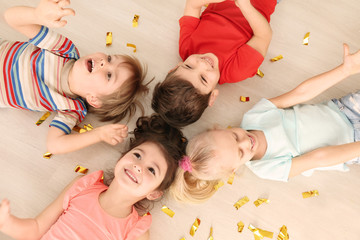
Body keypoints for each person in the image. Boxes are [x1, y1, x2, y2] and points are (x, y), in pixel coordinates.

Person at [171, 43, 360, 203]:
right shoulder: (267, 168)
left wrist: (344, 70)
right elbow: (317, 158)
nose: (246, 141)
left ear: (219, 128)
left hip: (345, 108)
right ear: (234, 169)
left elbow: (300, 93)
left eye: (235, 136)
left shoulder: (255, 116)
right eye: (240, 152)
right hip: (353, 145)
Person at [0, 115, 187, 239]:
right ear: (122, 157)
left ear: (154, 193)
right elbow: (36, 228)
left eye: (152, 170)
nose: (138, 166)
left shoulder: (136, 231)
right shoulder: (83, 186)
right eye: (137, 155)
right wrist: (7, 223)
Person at [1, 0, 150, 154]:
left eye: (109, 75)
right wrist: (36, 15)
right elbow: (11, 17)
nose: (103, 62)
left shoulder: (72, 108)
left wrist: (98, 134)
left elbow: (54, 145)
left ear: (94, 99)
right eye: (110, 58)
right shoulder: (64, 50)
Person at [152, 0, 277, 128]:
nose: (202, 64)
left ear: (176, 67)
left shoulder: (186, 48)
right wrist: (244, 6)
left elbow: (192, 5)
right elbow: (264, 35)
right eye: (203, 79)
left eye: (188, 66)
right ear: (212, 96)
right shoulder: (236, 70)